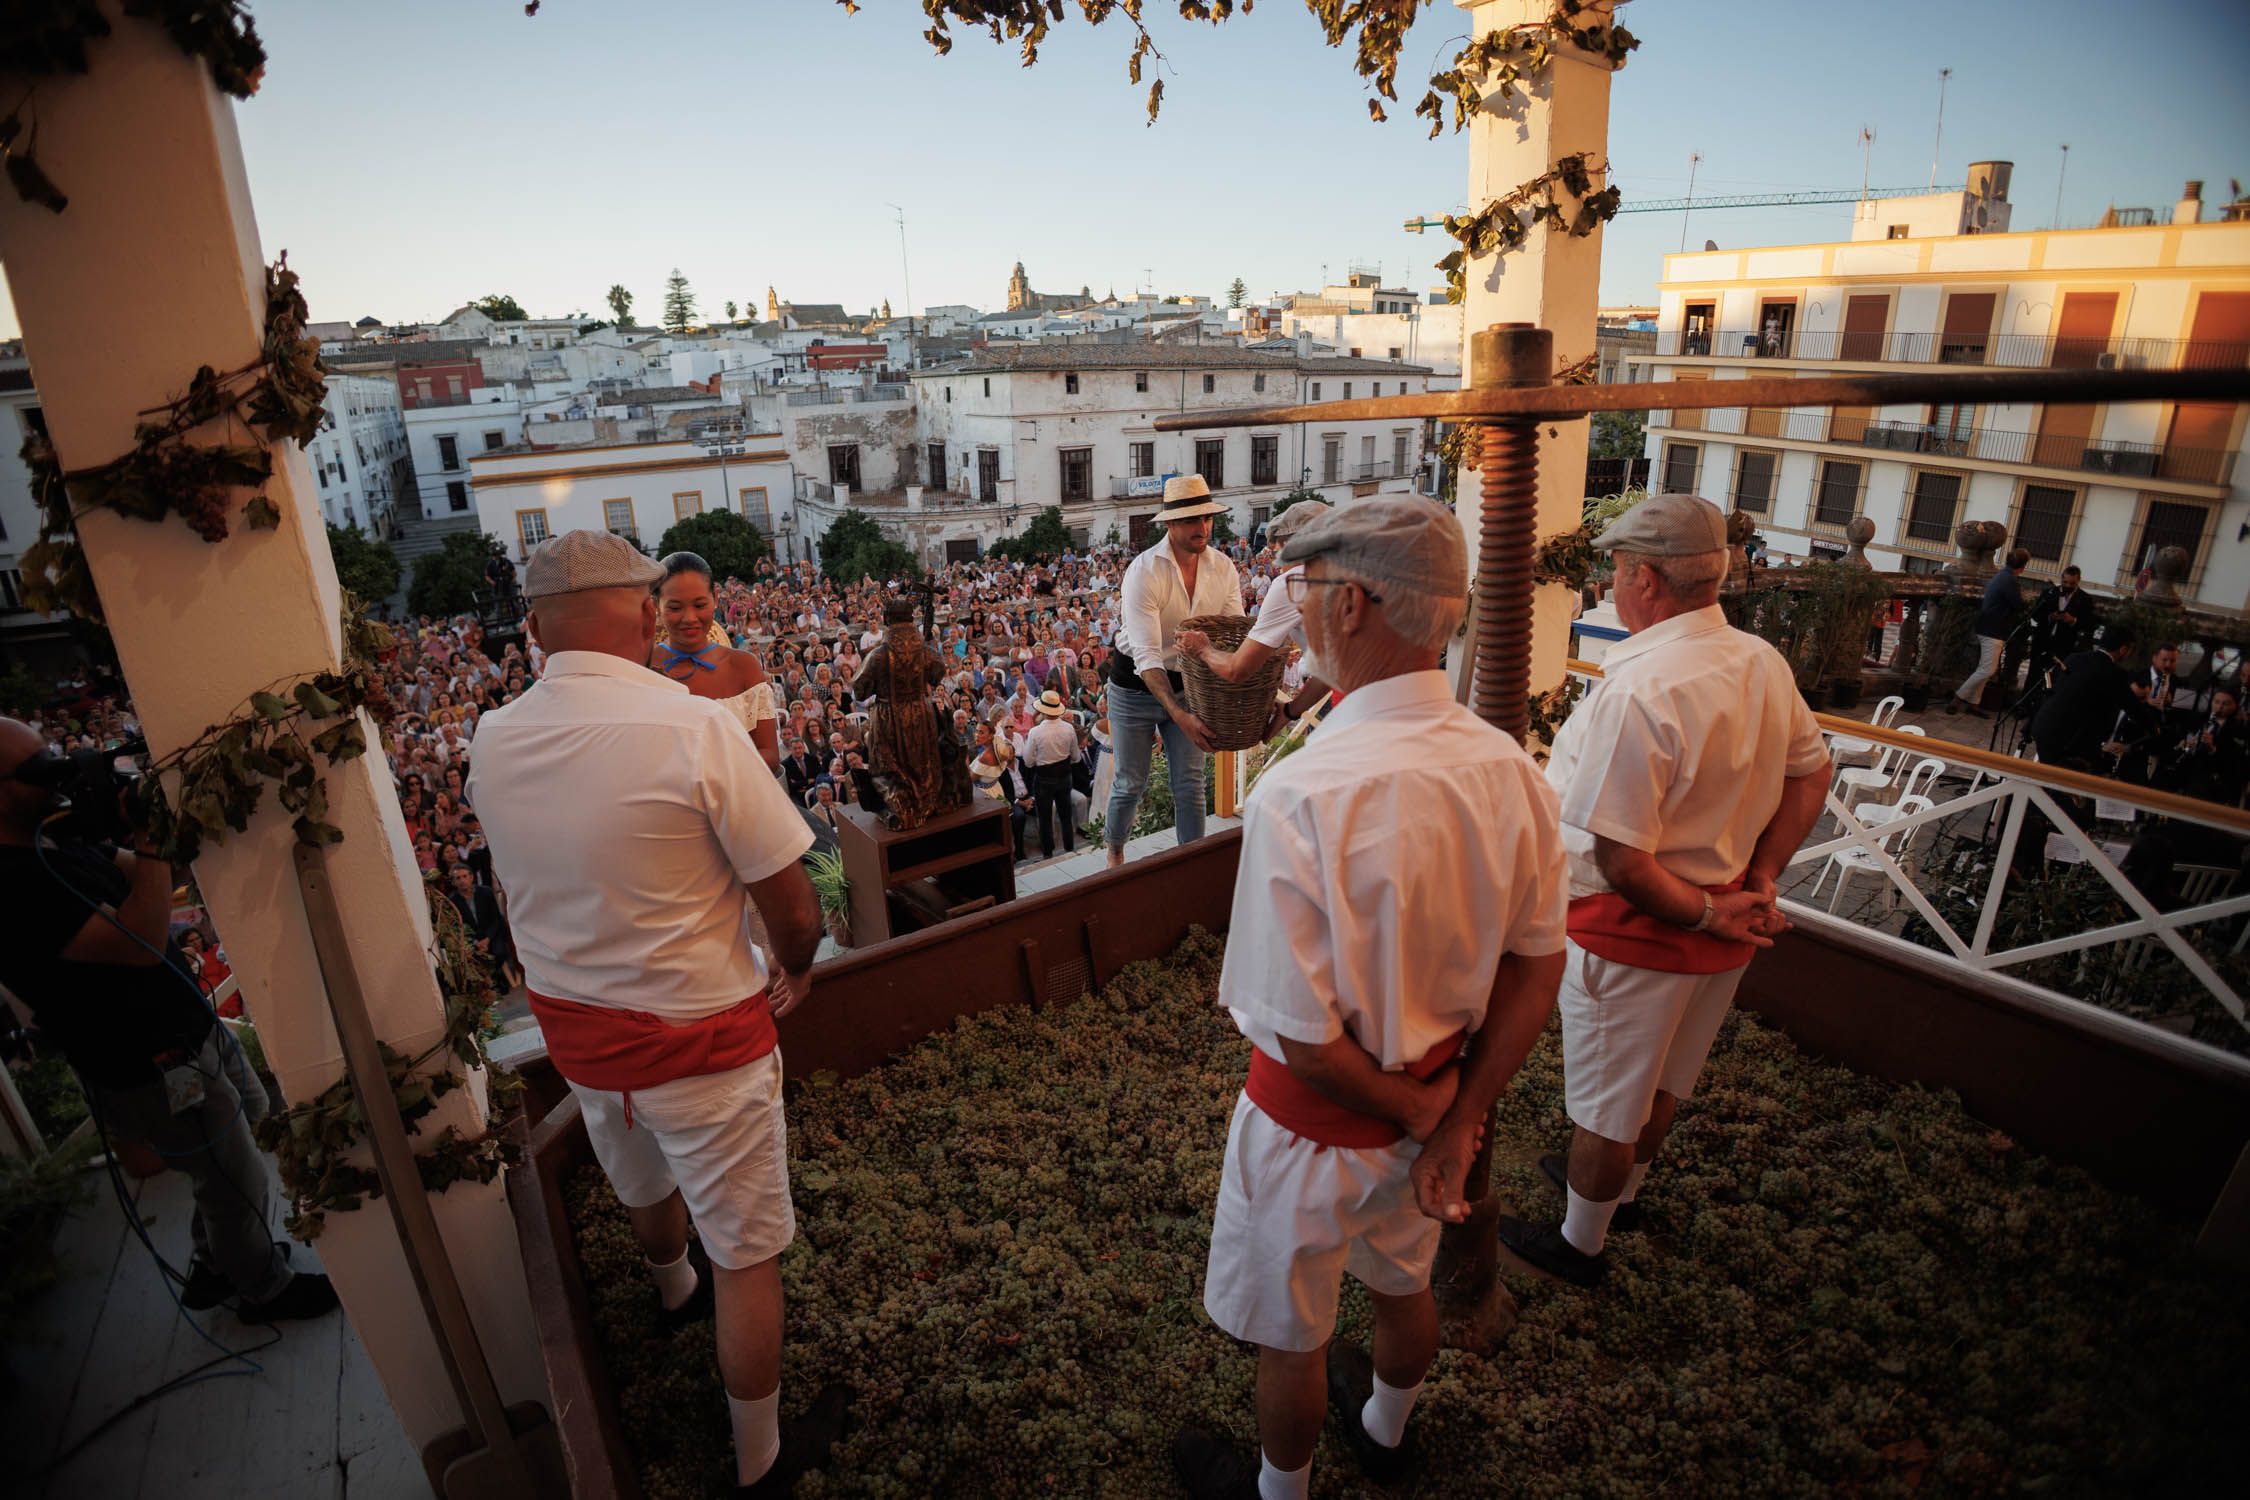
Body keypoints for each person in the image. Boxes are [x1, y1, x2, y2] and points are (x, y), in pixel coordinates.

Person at [1173, 498, 1568, 1500]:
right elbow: (1538, 963)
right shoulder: (1512, 771)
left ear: (1352, 605)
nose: (1294, 610)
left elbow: (1301, 1038)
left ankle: (1281, 1488)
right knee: (1403, 1282)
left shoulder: (1301, 793)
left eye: (1303, 591)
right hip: (1435, 1109)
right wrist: (1456, 1118)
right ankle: (1388, 1433)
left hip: (1318, 1131)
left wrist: (1428, 1114)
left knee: (1295, 1338)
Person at [465, 530, 847, 1495]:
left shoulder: (493, 739)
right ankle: (759, 1459)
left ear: (536, 629)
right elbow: (792, 904)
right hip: (702, 1039)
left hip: (585, 1040)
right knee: (749, 1250)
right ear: (645, 612)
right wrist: (795, 970)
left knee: (636, 1174)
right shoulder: (693, 727)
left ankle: (672, 1292)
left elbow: (515, 893)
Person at [1501, 493, 1830, 1288]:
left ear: (1646, 579)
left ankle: (1581, 1245)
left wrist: (1713, 908)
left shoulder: (1642, 690)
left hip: (1637, 927)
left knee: (1608, 1107)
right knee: (1662, 1082)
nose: (1612, 583)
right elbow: (1812, 772)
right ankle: (1621, 1197)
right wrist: (1758, 878)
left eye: (1616, 569)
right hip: (1722, 923)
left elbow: (1619, 855)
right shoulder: (1759, 659)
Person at [0, 718, 339, 1323]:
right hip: (148, 1061)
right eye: (35, 769)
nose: (53, 775)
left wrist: (149, 824)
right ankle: (263, 1289)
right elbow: (141, 939)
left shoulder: (57, 841)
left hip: (186, 1029)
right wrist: (151, 843)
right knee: (230, 1179)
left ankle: (216, 1263)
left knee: (250, 1129)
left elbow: (154, 878)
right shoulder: (10, 888)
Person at [1105, 476, 1241, 868]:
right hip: (1134, 685)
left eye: (1206, 518)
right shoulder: (1144, 571)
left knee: (1190, 785)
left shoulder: (1224, 568)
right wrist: (1180, 716)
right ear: (1170, 525)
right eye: (1191, 520)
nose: (1202, 528)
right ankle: (1115, 853)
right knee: (1130, 783)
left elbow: (1233, 631)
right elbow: (1146, 656)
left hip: (1191, 683)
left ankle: (1192, 865)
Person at [1178, 499, 1335, 734]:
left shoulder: (1295, 581)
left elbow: (1237, 670)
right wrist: (1291, 711)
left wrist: (1203, 650)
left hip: (1368, 705)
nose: (1276, 562)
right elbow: (1333, 667)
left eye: (1278, 552)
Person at [655, 552, 782, 772]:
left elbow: (769, 754)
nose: (689, 618)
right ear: (657, 605)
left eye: (699, 604)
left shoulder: (744, 666)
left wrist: (708, 773)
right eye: (675, 608)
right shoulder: (643, 666)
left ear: (714, 597)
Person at [852, 598, 967, 831]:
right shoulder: (925, 651)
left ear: (887, 621)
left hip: (888, 715)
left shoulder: (878, 655)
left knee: (889, 765)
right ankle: (929, 799)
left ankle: (904, 805)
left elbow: (860, 690)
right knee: (925, 759)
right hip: (920, 710)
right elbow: (937, 674)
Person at [2031, 623, 2139, 773]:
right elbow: (2132, 706)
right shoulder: (2115, 673)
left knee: (2047, 776)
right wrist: (2153, 727)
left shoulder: (2074, 658)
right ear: (2123, 649)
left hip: (2044, 726)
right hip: (2069, 739)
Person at [1949, 548, 2030, 718]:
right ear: (2022, 566)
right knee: (1987, 669)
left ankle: (1973, 701)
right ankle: (1958, 697)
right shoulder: (2010, 581)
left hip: (1987, 626)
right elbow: (2019, 604)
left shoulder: (2001, 576)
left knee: (1985, 667)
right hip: (1993, 629)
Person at [1022, 690, 1079, 859]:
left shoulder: (1035, 732)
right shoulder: (1068, 728)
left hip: (1044, 779)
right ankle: (1070, 849)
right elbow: (1076, 757)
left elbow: (1028, 762)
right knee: (1065, 815)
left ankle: (1048, 854)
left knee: (1045, 818)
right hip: (1064, 776)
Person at [2028, 564, 2097, 674]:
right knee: (2033, 675)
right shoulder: (2049, 593)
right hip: (2042, 642)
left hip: (2065, 646)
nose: (2068, 586)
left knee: (2056, 678)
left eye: (2072, 583)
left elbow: (2090, 624)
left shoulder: (2085, 599)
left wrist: (2073, 621)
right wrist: (2049, 616)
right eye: (2065, 582)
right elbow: (2035, 614)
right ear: (2061, 579)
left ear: (2078, 580)